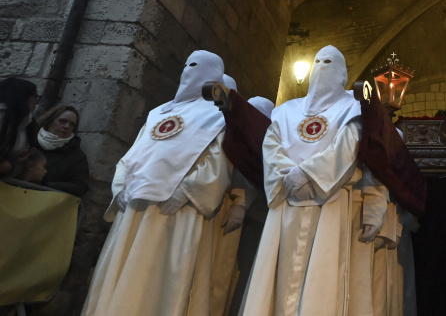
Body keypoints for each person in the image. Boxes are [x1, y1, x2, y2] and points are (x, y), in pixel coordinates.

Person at [82, 50, 234, 316]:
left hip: (177, 210)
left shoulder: (218, 115)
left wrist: (189, 192)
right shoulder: (158, 112)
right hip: (135, 206)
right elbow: (131, 156)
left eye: (196, 65)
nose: (188, 69)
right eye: (186, 64)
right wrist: (121, 188)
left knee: (161, 279)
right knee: (122, 268)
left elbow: (219, 162)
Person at [239, 45, 364, 316]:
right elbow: (271, 146)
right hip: (287, 198)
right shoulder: (285, 111)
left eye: (328, 63)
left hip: (327, 200)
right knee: (277, 272)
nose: (321, 67)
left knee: (321, 277)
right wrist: (291, 177)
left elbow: (346, 148)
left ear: (342, 73)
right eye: (317, 62)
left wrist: (308, 174)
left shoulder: (352, 108)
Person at [33, 104, 89, 197]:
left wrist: (44, 186)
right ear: (50, 121)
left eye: (72, 124)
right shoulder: (29, 140)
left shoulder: (77, 156)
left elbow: (80, 186)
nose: (67, 126)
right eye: (62, 121)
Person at [0, 77, 39, 177]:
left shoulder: (27, 123)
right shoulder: (2, 117)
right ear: (23, 96)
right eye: (36, 96)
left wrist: (14, 157)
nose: (37, 102)